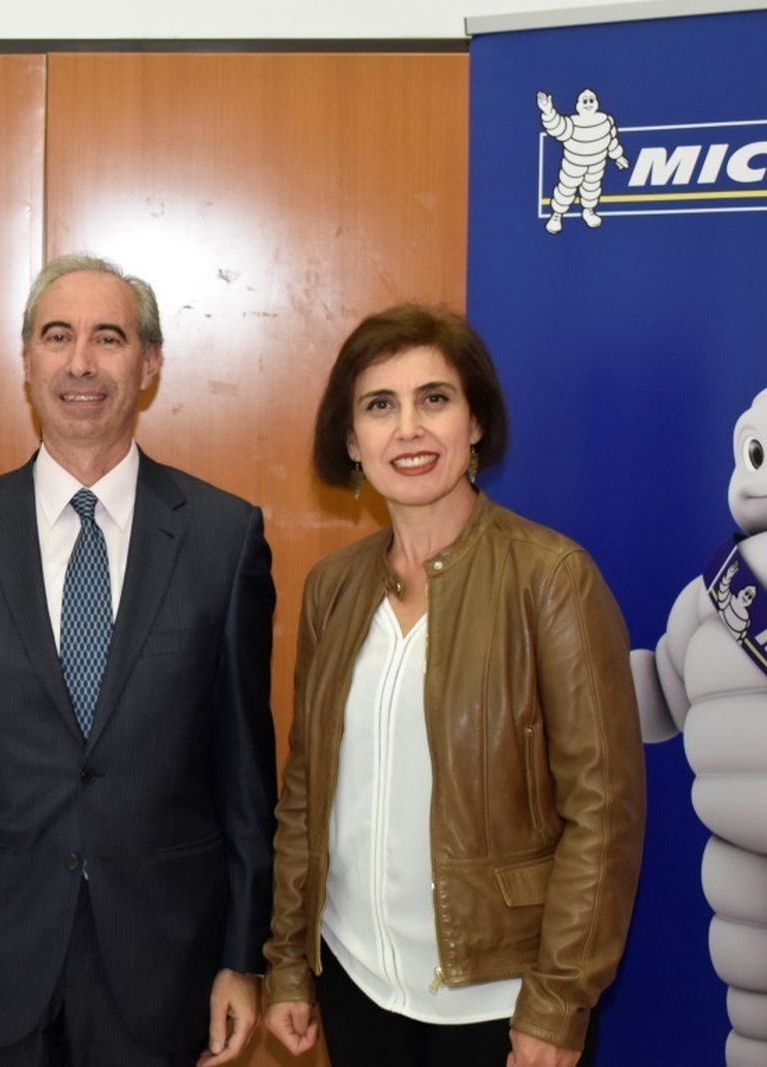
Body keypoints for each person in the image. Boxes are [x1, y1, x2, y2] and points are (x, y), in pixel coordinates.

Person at [0, 253, 277, 1067]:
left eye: (109, 338)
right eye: (58, 336)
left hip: (161, 966)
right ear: (27, 360)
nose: (81, 361)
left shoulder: (225, 539)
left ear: (149, 365)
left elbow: (244, 774)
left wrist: (242, 954)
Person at [262, 305, 644, 1067]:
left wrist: (558, 1001)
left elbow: (603, 814)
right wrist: (286, 963)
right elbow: (306, 790)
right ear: (350, 441)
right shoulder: (334, 587)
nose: (408, 428)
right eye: (380, 405)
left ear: (475, 425)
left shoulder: (552, 578)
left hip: (501, 1004)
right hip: (355, 979)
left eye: (434, 399)